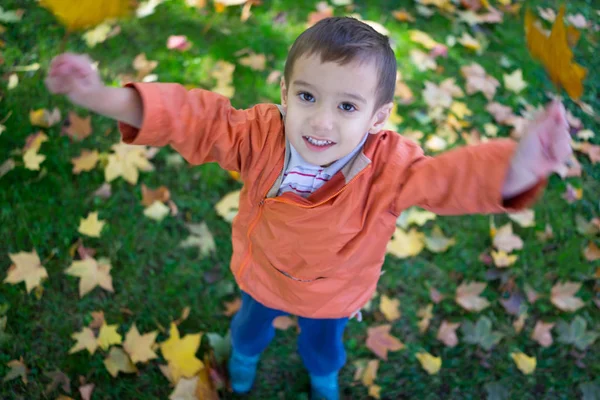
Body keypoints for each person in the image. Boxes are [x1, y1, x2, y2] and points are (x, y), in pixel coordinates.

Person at [46, 16, 571, 400]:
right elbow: (194, 119)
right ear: (284, 92)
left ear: (378, 116)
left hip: (333, 294)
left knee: (324, 349)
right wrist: (101, 97)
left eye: (346, 106)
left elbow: (451, 179)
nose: (321, 121)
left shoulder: (390, 168)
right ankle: (245, 366)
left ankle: (323, 381)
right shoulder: (259, 136)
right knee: (248, 331)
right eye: (307, 97)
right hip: (265, 277)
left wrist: (523, 164)